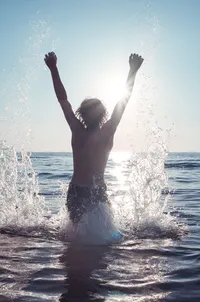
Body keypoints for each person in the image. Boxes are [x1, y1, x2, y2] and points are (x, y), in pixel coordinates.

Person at [44, 51, 144, 224]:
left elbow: (123, 102)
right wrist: (53, 69)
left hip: (98, 191)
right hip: (77, 192)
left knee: (103, 238)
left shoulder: (106, 130)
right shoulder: (78, 129)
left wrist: (133, 71)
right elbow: (63, 100)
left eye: (93, 110)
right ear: (83, 114)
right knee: (76, 237)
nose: (91, 114)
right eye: (88, 110)